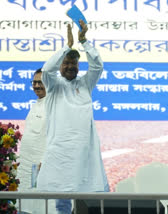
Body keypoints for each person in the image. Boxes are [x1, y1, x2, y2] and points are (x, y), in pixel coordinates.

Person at [36, 20, 109, 214]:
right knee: (62, 202)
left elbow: (97, 66)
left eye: (74, 63)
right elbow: (47, 69)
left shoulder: (85, 84)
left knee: (93, 198)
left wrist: (84, 41)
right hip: (61, 152)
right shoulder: (53, 85)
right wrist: (67, 46)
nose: (70, 66)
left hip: (85, 151)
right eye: (66, 62)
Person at [17, 68, 56, 214]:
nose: (37, 86)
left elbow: (57, 137)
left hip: (42, 167)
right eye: (34, 82)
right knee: (25, 205)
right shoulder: (36, 104)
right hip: (27, 167)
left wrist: (46, 160)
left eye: (41, 82)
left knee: (42, 206)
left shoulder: (53, 105)